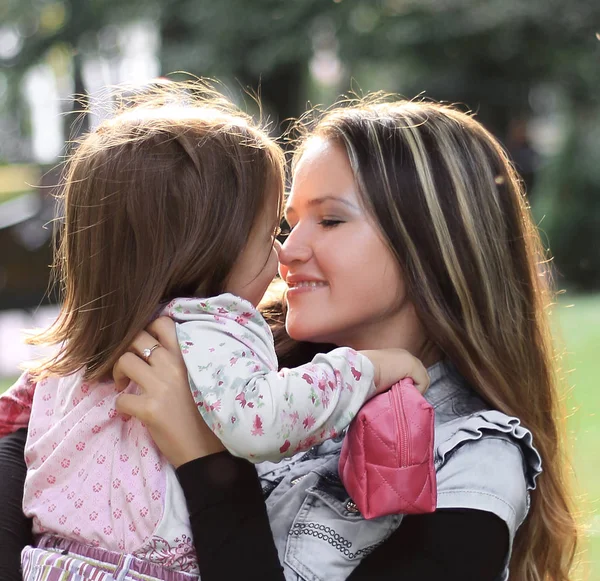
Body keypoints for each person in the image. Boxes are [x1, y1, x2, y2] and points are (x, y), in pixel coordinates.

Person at [0, 96, 579, 581]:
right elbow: (28, 441)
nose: (289, 250)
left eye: (328, 220)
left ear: (432, 243)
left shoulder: (472, 464)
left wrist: (206, 462)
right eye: (286, 221)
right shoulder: (231, 348)